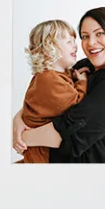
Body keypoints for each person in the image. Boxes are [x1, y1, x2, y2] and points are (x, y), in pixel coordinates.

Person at [12, 7, 105, 164]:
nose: (90, 43)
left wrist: (23, 137)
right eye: (84, 36)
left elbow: (69, 132)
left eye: (99, 34)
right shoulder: (83, 67)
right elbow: (45, 99)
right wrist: (18, 119)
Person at [15, 19, 87, 164]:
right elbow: (77, 105)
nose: (76, 45)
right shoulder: (48, 80)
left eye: (74, 40)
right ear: (49, 49)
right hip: (43, 155)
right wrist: (83, 82)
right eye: (69, 42)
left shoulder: (57, 75)